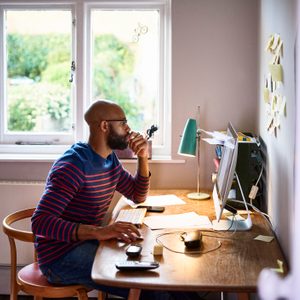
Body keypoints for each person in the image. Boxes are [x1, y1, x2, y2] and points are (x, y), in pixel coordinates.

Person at [31, 99, 201, 300]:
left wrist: (143, 157)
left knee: (171, 276)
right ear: (104, 126)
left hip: (89, 243)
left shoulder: (109, 160)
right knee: (153, 289)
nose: (129, 129)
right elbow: (40, 222)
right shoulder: (73, 166)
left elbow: (137, 195)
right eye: (123, 123)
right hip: (60, 257)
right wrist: (100, 231)